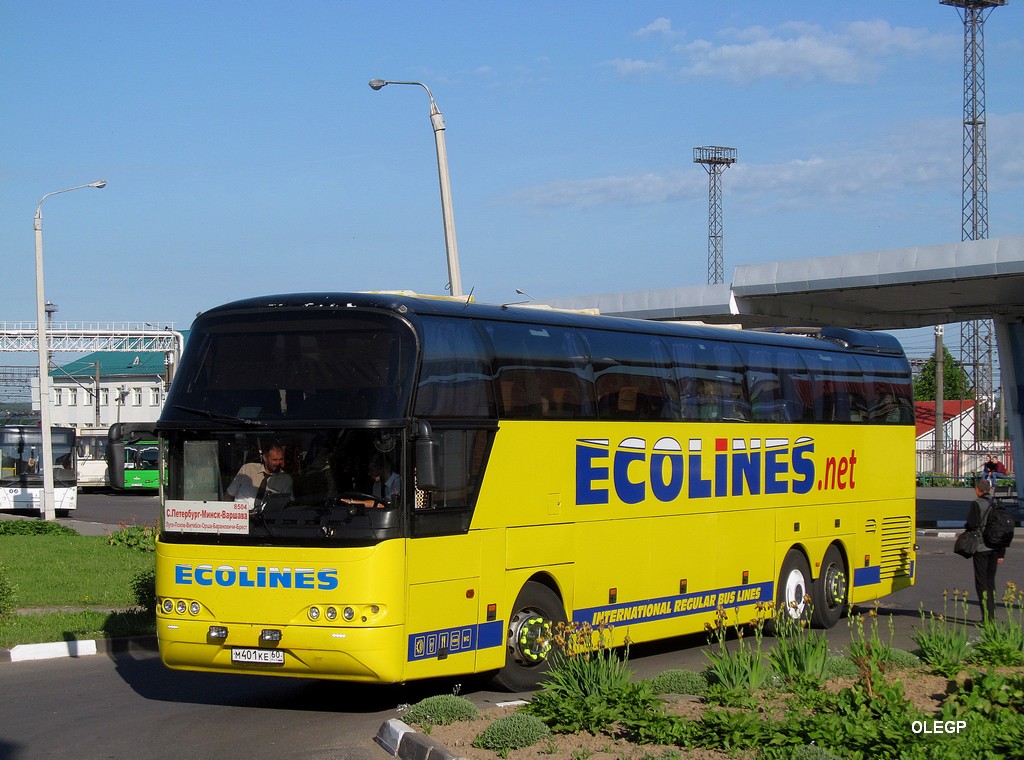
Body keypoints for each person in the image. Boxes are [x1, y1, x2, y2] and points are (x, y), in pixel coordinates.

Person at [966, 478, 1005, 623]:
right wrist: (1002, 553)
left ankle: (986, 617)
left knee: (981, 582)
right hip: (996, 547)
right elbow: (1002, 529)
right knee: (990, 582)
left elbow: (971, 523)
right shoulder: (997, 504)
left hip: (981, 547)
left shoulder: (977, 504)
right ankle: (992, 615)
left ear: (978, 489)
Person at [226, 444, 293, 508]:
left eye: (280, 459)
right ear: (265, 458)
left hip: (267, 516)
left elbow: (288, 503)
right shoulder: (247, 469)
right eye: (274, 460)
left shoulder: (285, 479)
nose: (278, 463)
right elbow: (229, 495)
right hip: (242, 515)